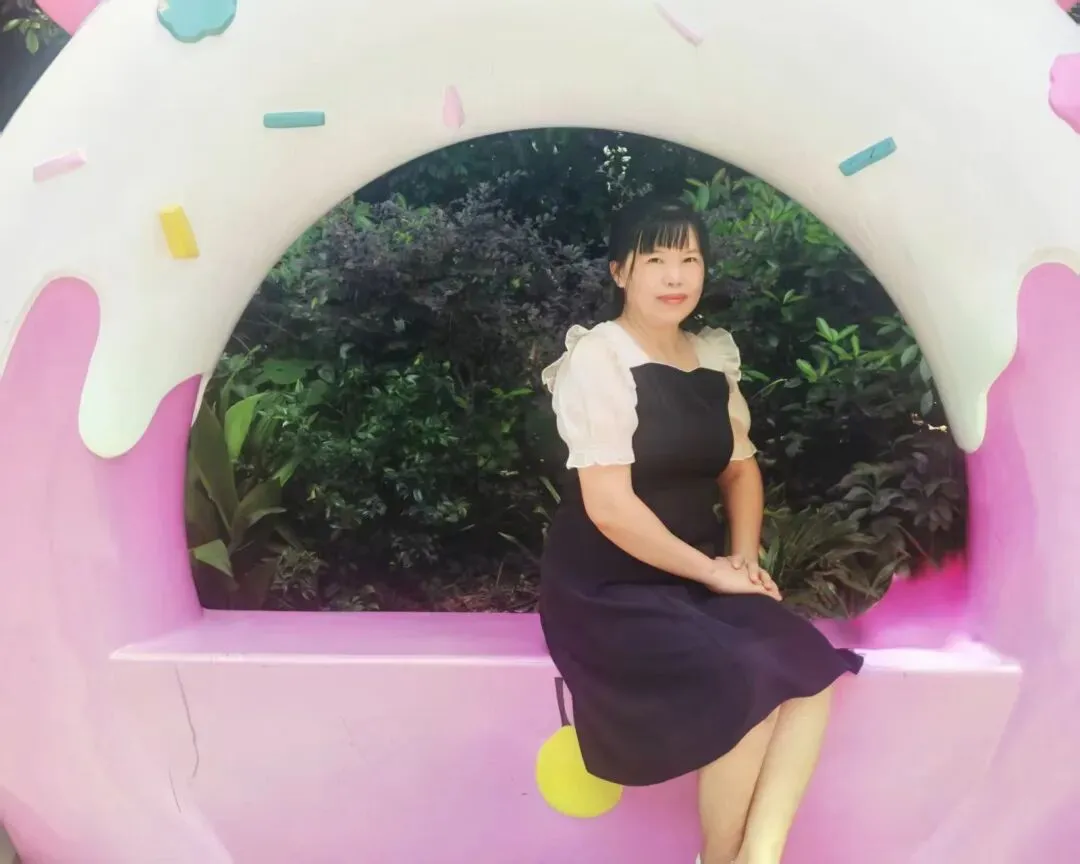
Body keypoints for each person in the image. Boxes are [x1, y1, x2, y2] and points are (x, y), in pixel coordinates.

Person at [538, 196, 863, 864]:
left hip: (695, 578)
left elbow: (740, 471)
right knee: (743, 677)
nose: (674, 276)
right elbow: (610, 508)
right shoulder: (599, 358)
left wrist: (741, 562)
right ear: (619, 271)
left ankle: (759, 855)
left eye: (689, 259)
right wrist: (715, 572)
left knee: (808, 666)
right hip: (607, 586)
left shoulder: (711, 358)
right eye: (655, 259)